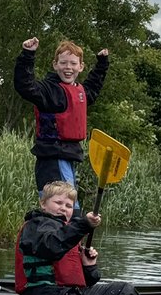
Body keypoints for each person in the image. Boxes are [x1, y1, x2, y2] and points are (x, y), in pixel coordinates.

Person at [15, 181, 145, 295]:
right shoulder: (36, 225)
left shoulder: (67, 232)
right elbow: (51, 246)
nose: (63, 208)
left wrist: (89, 266)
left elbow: (86, 283)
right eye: (58, 203)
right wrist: (83, 224)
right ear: (43, 204)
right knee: (124, 291)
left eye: (68, 206)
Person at [13, 36, 109, 193]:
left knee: (67, 210)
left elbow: (94, 86)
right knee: (63, 210)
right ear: (55, 65)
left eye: (73, 63)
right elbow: (25, 85)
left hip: (68, 156)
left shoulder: (80, 92)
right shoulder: (49, 90)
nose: (68, 67)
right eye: (63, 63)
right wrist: (28, 54)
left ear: (81, 67)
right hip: (52, 157)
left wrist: (102, 64)